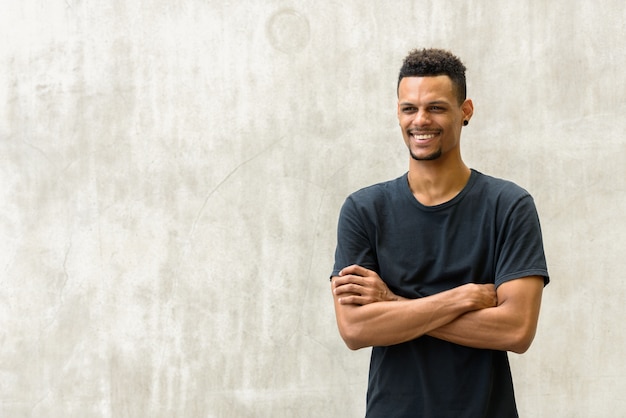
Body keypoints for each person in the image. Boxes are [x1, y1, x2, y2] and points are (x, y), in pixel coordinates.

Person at [329, 48, 549, 417]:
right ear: (397, 113)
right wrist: (460, 298)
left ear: (466, 111)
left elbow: (515, 330)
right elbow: (355, 329)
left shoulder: (508, 206)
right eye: (409, 108)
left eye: (436, 107)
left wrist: (394, 304)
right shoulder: (364, 210)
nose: (420, 120)